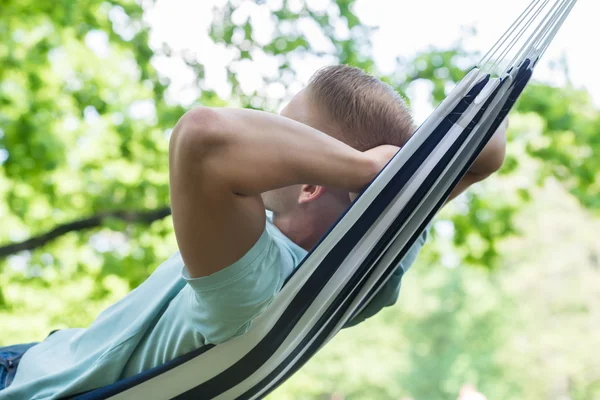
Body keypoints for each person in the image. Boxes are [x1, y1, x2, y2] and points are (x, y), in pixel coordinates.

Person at [0, 65, 507, 398]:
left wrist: (358, 168)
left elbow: (203, 136)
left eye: (284, 128)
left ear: (311, 183)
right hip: (37, 353)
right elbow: (487, 153)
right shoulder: (371, 263)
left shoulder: (257, 283)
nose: (268, 137)